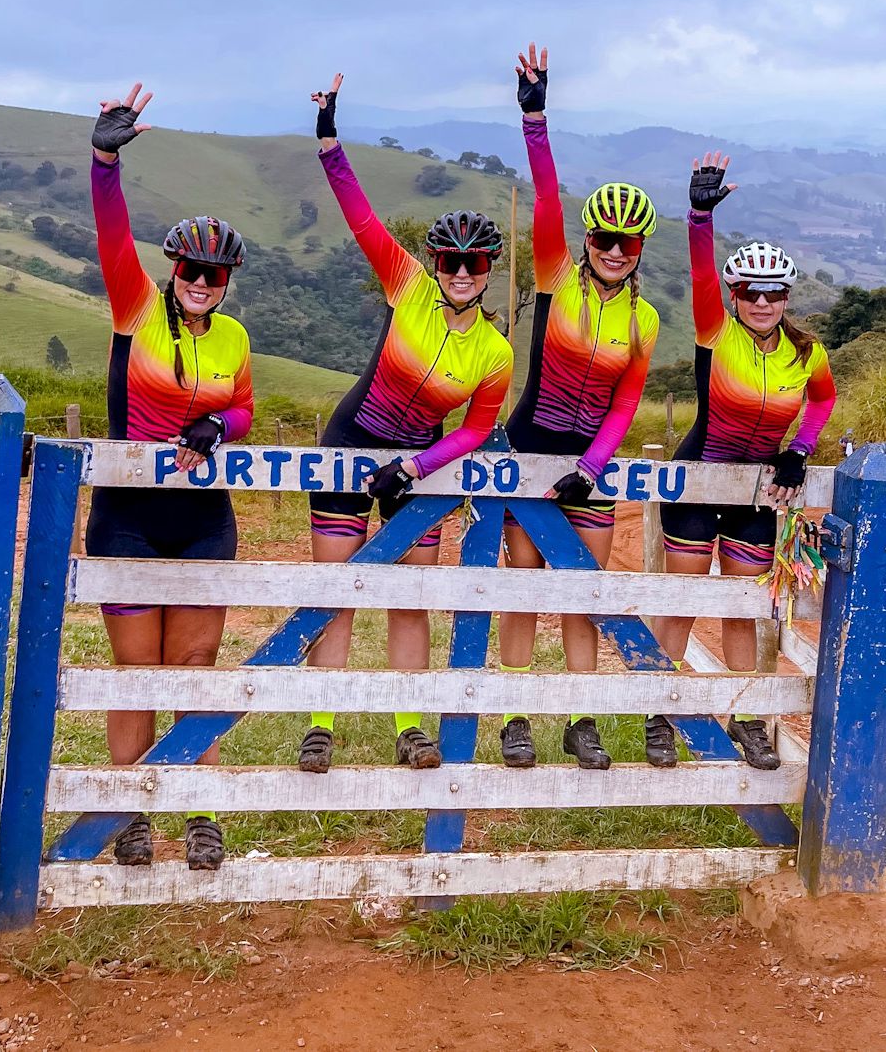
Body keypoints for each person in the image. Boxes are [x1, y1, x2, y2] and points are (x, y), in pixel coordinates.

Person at [298, 74, 514, 774]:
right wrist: (330, 141)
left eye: (473, 263)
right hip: (350, 441)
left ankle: (410, 727)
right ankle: (320, 726)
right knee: (336, 591)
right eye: (450, 260)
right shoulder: (408, 285)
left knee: (410, 597)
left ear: (487, 270)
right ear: (436, 263)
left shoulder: (495, 351)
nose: (459, 271)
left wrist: (417, 467)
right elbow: (361, 217)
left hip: (418, 465)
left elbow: (475, 431)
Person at [87, 83, 254, 870]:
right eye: (192, 268)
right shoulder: (136, 309)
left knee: (194, 670)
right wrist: (105, 159)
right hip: (127, 515)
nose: (202, 281)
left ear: (226, 283)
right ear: (174, 269)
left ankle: (200, 813)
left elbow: (244, 409)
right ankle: (130, 814)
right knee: (135, 672)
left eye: (215, 274)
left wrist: (220, 425)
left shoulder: (233, 338)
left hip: (202, 521)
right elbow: (111, 234)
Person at [498, 45, 660, 771]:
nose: (615, 250)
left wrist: (593, 468)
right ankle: (514, 716)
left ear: (640, 247)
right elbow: (545, 199)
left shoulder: (644, 319)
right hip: (530, 449)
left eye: (628, 241)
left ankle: (579, 719)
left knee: (583, 595)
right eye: (604, 238)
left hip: (590, 467)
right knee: (522, 587)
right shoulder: (555, 276)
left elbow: (626, 404)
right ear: (588, 240)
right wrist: (535, 117)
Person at [652, 153, 836, 771]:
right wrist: (699, 215)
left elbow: (823, 400)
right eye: (750, 292)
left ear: (785, 298)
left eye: (773, 293)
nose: (761, 302)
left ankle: (748, 720)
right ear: (734, 296)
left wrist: (800, 449)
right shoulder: (716, 331)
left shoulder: (806, 352)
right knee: (681, 600)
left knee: (742, 608)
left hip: (758, 492)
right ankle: (659, 714)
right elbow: (700, 272)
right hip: (699, 478)